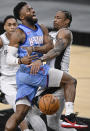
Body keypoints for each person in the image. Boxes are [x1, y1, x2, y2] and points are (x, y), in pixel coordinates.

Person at [4, 2, 87, 131]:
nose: (54, 20)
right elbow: (10, 58)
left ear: (67, 22)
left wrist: (37, 53)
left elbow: (53, 48)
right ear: (21, 17)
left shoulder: (60, 32)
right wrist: (22, 59)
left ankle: (69, 117)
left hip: (48, 78)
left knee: (26, 113)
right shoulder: (23, 33)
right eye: (28, 10)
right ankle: (69, 117)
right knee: (52, 122)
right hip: (37, 75)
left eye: (58, 18)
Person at [0, 15, 32, 131]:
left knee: (27, 111)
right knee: (18, 109)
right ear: (4, 27)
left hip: (22, 79)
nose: (12, 27)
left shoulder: (23, 39)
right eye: (9, 25)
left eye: (14, 24)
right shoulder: (1, 40)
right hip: (7, 81)